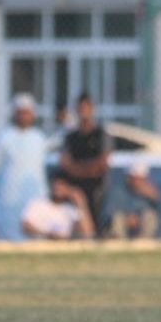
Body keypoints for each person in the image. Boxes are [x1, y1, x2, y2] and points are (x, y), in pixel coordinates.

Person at [0, 93, 48, 241]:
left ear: (33, 115)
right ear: (14, 114)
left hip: (35, 197)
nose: (24, 116)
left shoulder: (39, 138)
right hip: (9, 197)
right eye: (20, 113)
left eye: (27, 113)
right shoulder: (4, 137)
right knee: (9, 237)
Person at [59, 93, 111, 235]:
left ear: (92, 109)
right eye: (81, 108)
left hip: (97, 193)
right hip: (74, 194)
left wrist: (78, 169)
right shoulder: (70, 138)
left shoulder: (101, 135)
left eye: (87, 107)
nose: (84, 111)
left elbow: (102, 164)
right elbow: (65, 164)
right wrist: (88, 169)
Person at [21, 174, 95, 240]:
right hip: (40, 246)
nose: (58, 188)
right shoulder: (38, 204)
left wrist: (81, 204)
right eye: (56, 184)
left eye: (62, 184)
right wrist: (48, 234)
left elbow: (88, 234)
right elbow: (26, 226)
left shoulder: (70, 209)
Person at [108, 162, 161, 239]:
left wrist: (156, 199)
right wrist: (128, 219)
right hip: (122, 227)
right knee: (117, 219)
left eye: (142, 179)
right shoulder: (117, 192)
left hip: (142, 228)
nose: (139, 182)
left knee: (150, 217)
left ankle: (144, 243)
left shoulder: (150, 195)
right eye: (136, 178)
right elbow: (109, 213)